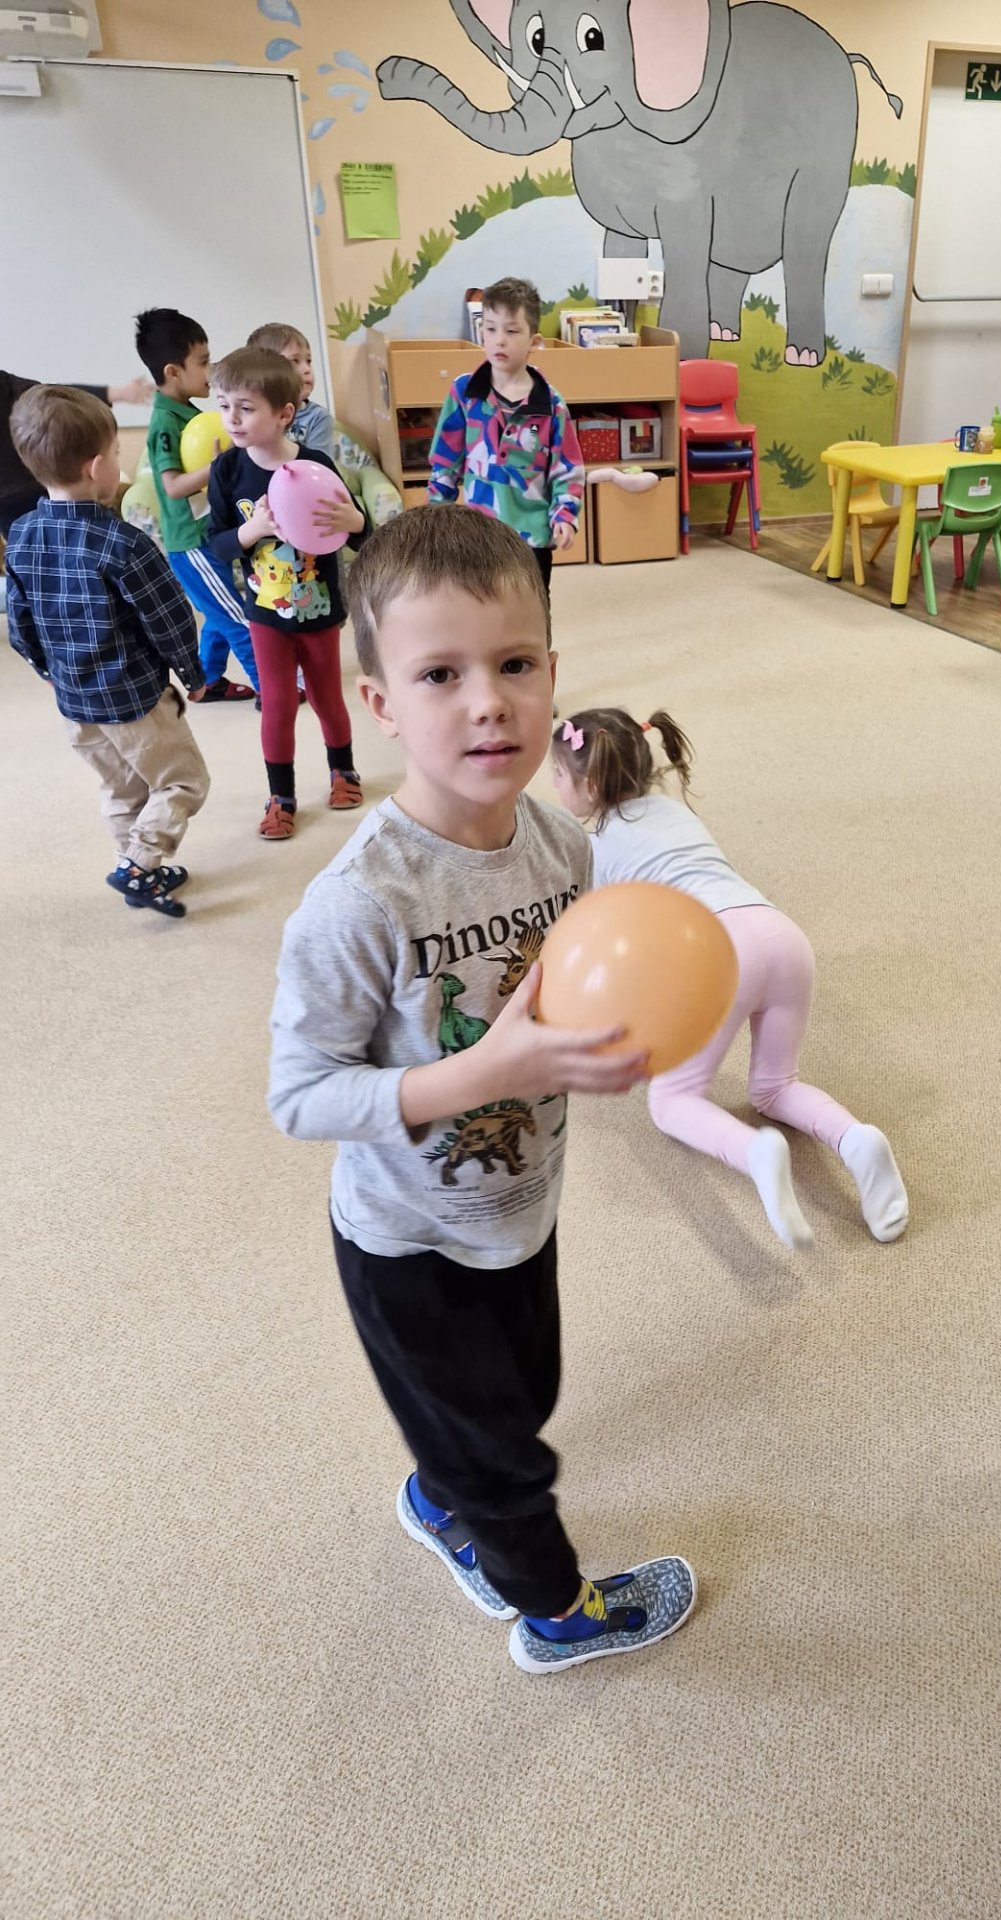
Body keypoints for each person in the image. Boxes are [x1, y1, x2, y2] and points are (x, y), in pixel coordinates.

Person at [267, 504, 696, 1673]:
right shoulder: (360, 902)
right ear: (379, 702)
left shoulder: (562, 849)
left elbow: (579, 986)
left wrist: (622, 1032)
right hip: (408, 1239)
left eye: (513, 665)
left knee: (522, 1393)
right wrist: (485, 1071)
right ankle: (555, 1613)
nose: (487, 703)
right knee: (512, 1461)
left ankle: (439, 1487)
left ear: (552, 672)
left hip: (520, 1207)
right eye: (440, 674)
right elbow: (300, 1097)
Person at [552, 707, 910, 1250]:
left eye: (559, 774)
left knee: (671, 1100)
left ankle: (754, 1152)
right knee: (776, 1086)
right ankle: (855, 1138)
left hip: (718, 953)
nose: (554, 785)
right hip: (782, 936)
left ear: (591, 785)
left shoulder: (593, 847)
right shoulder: (672, 810)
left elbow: (603, 944)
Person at [4, 386, 208, 919]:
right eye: (117, 453)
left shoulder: (20, 535)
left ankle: (138, 869)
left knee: (121, 789)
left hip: (75, 703)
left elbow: (18, 619)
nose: (120, 463)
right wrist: (194, 673)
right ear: (97, 467)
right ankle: (140, 864)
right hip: (133, 700)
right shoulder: (124, 543)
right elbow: (168, 618)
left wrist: (45, 668)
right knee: (182, 780)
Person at [206, 347, 365, 839]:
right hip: (266, 614)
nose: (231, 418)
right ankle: (281, 796)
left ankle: (344, 771)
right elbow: (217, 546)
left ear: (284, 414)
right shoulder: (226, 471)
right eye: (224, 405)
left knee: (326, 697)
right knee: (276, 704)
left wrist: (356, 520)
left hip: (320, 609)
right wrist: (251, 530)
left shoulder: (316, 463)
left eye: (245, 407)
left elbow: (359, 536)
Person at [426, 275, 583, 599]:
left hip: (531, 540)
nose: (499, 340)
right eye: (490, 328)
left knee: (531, 613)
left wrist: (565, 515)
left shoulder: (551, 404)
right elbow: (445, 462)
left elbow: (567, 470)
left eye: (511, 331)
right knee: (480, 611)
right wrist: (436, 516)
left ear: (534, 341)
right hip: (479, 538)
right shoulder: (464, 392)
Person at [135, 308, 258, 705]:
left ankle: (208, 681)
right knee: (237, 617)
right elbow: (173, 486)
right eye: (203, 362)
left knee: (218, 613)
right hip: (190, 543)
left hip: (208, 535)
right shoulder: (165, 423)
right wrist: (218, 466)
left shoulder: (188, 412)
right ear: (173, 372)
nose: (212, 370)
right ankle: (272, 688)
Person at [1, 368, 152, 540]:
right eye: (115, 452)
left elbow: (54, 400)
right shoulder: (129, 542)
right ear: (94, 468)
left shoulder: (19, 539)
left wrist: (117, 393)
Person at [246, 322, 336, 462]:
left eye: (308, 360)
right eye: (295, 361)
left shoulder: (317, 418)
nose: (307, 369)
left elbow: (319, 466)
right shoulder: (252, 414)